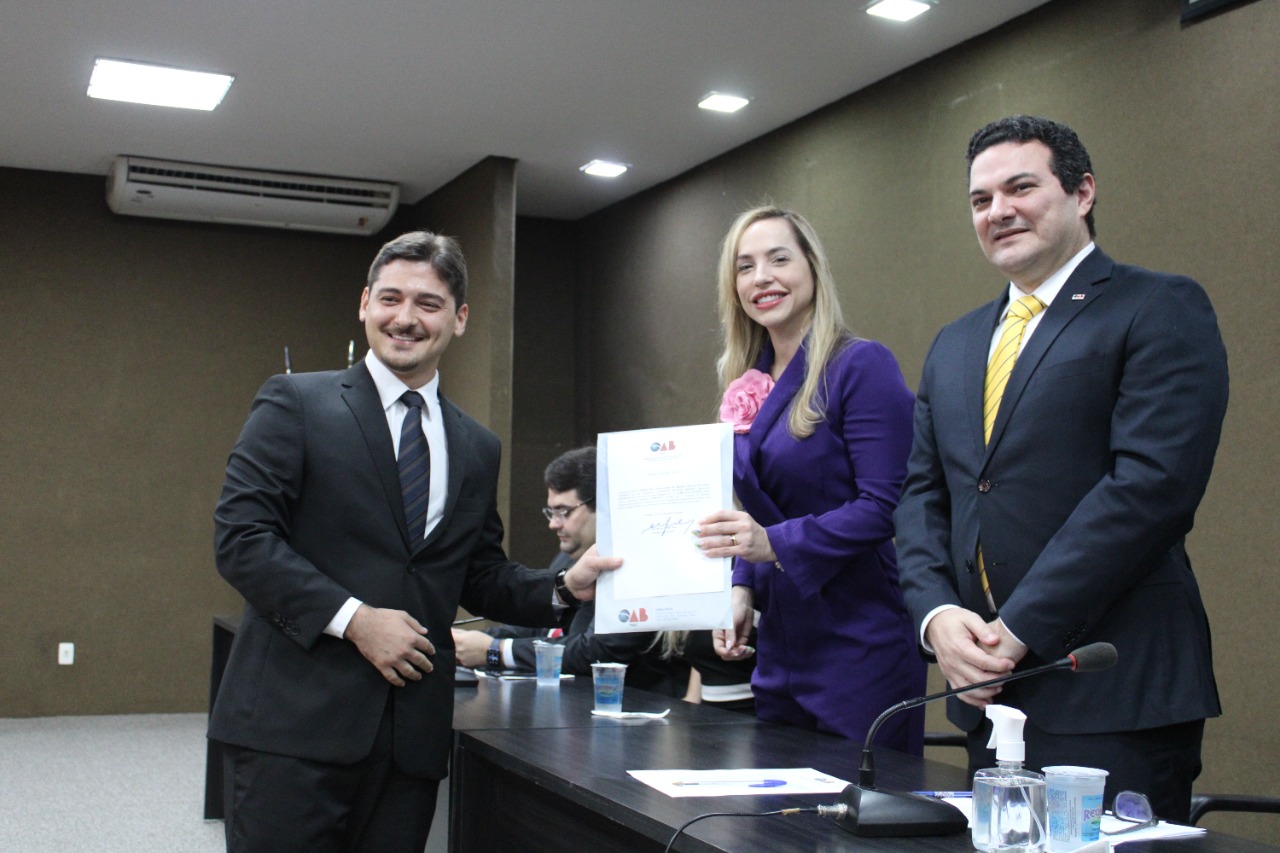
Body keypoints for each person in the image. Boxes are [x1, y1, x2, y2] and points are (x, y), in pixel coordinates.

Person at [210, 230, 618, 853]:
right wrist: (356, 621)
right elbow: (241, 538)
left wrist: (563, 586)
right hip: (291, 731)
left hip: (409, 744)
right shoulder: (296, 403)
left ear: (459, 318)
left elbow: (478, 573)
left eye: (428, 304)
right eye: (391, 298)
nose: (405, 318)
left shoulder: (476, 446)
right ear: (364, 303)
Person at [894, 115, 1228, 822]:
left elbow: (1151, 488)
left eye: (1020, 188)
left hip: (1112, 685)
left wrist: (1016, 628)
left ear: (1082, 192)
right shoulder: (955, 343)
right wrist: (938, 617)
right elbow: (921, 497)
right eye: (981, 199)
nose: (998, 211)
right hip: (988, 696)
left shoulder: (1157, 305)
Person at [699, 206, 926, 750]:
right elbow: (758, 512)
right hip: (780, 639)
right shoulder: (748, 382)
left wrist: (771, 545)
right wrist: (740, 586)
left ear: (813, 268)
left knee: (859, 800)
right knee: (779, 796)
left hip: (859, 637)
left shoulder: (860, 365)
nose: (762, 278)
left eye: (779, 259)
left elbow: (886, 504)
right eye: (745, 266)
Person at [452, 446, 686, 695]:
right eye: (550, 512)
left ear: (604, 507)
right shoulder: (568, 555)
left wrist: (495, 651)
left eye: (563, 512)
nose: (553, 524)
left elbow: (594, 652)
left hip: (635, 704)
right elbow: (543, 626)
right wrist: (470, 642)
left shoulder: (637, 563)